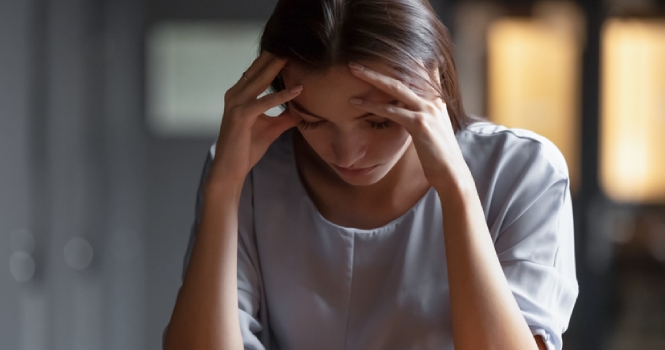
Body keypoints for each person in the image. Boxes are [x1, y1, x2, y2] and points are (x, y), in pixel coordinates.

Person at [163, 0, 579, 349]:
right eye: (311, 121)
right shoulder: (251, 175)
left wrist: (456, 189)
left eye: (377, 121)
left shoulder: (520, 171)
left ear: (430, 80)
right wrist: (223, 186)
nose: (347, 154)